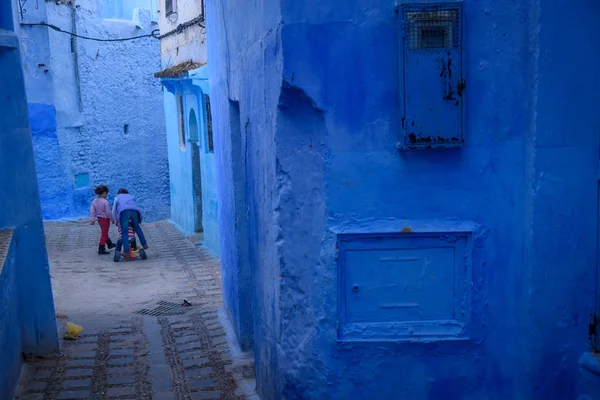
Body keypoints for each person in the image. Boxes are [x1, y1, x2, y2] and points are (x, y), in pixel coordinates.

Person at [112, 188, 148, 259]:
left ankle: (126, 251)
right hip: (135, 211)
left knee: (124, 231)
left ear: (118, 193)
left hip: (124, 212)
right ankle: (144, 244)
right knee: (137, 228)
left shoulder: (117, 197)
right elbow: (134, 205)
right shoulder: (131, 196)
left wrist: (114, 219)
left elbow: (114, 209)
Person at [90, 185, 115, 254]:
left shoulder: (94, 201)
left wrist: (92, 219)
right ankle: (101, 248)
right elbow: (108, 212)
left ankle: (109, 244)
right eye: (106, 193)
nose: (106, 195)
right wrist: (112, 219)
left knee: (104, 232)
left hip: (99, 219)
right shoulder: (105, 202)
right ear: (104, 193)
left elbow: (92, 211)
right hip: (105, 219)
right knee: (104, 233)